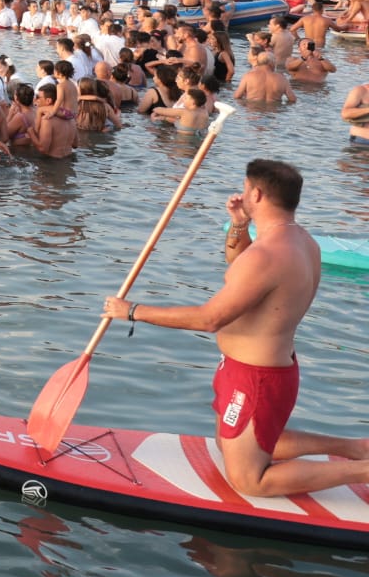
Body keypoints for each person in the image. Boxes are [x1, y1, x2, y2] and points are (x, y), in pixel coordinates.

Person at [105, 160, 369, 498]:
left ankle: (362, 469)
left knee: (248, 481)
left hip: (256, 377)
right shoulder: (303, 242)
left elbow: (210, 319)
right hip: (251, 369)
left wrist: (134, 311)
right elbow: (240, 266)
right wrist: (238, 226)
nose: (241, 195)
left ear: (256, 193)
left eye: (245, 190)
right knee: (229, 441)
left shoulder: (270, 254)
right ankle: (357, 448)